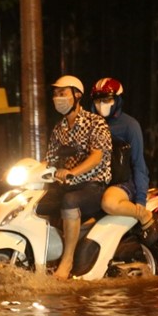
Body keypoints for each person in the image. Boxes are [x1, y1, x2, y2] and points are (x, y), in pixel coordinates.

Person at [44, 75, 113, 280]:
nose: (58, 98)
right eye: (55, 94)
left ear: (77, 95)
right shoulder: (59, 128)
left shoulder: (95, 122)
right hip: (67, 185)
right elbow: (49, 159)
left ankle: (68, 260)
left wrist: (73, 172)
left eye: (63, 93)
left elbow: (96, 156)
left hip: (93, 186)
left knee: (69, 201)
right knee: (39, 204)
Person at [91, 77, 158, 245]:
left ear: (118, 100)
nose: (102, 104)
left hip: (122, 182)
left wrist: (140, 202)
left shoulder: (130, 125)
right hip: (96, 182)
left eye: (107, 99)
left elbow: (138, 164)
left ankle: (144, 216)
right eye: (98, 100)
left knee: (109, 203)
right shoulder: (90, 124)